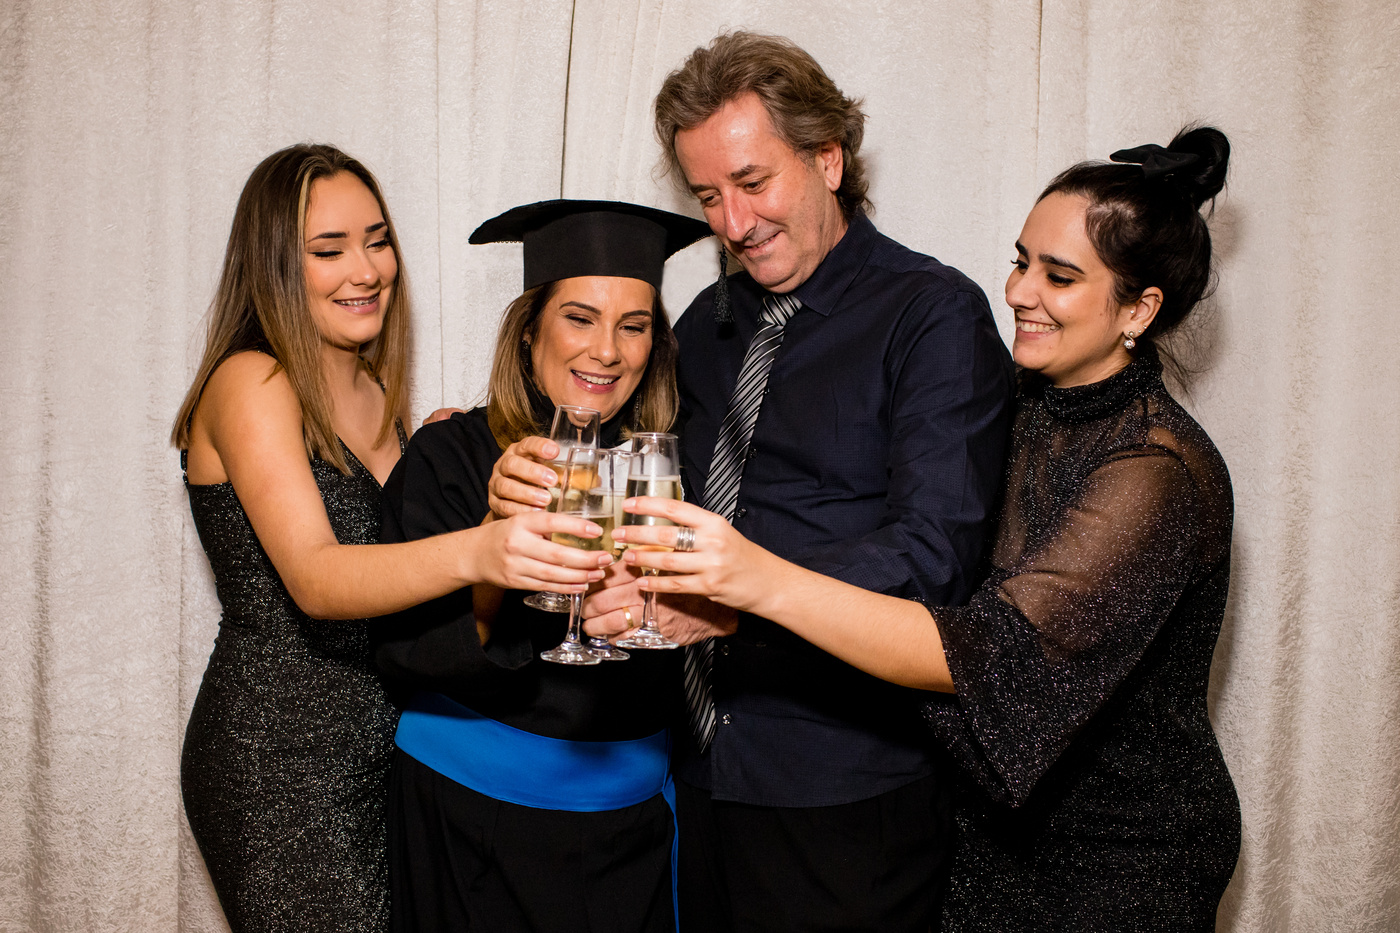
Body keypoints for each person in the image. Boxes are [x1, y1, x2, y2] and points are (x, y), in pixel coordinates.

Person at [614, 126, 1242, 932]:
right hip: (987, 830)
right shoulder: (1027, 402)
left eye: (1059, 276)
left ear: (1140, 308)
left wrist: (748, 585)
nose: (1019, 292)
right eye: (1021, 261)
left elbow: (988, 654)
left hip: (1112, 856)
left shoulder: (1155, 471)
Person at [506, 31, 1012, 933]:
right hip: (695, 769)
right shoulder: (707, 321)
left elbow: (933, 562)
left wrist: (734, 599)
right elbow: (637, 472)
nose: (733, 223)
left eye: (752, 182)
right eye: (709, 196)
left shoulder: (933, 315)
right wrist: (496, 441)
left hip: (843, 789)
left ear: (828, 159)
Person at [171, 146, 608, 933]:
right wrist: (483, 547)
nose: (366, 269)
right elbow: (318, 577)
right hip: (279, 759)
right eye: (329, 250)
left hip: (385, 749)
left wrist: (438, 457)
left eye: (377, 241)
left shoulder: (374, 384)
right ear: (275, 264)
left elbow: (393, 556)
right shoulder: (252, 380)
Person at [375, 200, 713, 933]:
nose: (607, 351)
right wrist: (497, 549)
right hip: (469, 827)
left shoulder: (669, 472)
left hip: (632, 830)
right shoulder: (450, 456)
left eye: (634, 325)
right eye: (579, 318)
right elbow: (402, 651)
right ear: (529, 329)